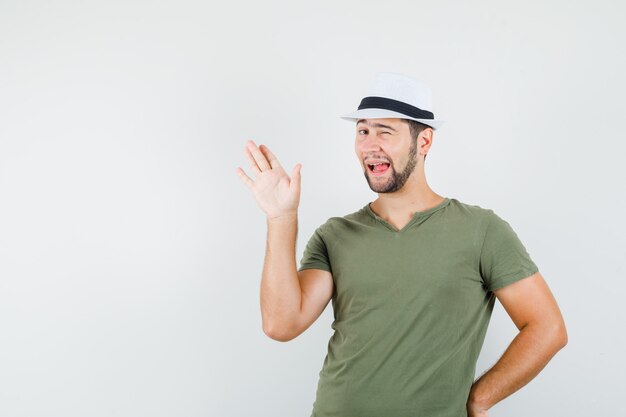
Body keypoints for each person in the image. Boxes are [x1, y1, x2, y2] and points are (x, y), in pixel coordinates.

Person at [235, 72, 567, 417]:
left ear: (424, 142)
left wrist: (479, 398)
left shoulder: (482, 231)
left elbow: (547, 328)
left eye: (385, 131)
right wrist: (280, 219)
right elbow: (281, 324)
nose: (369, 144)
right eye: (363, 131)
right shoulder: (335, 235)